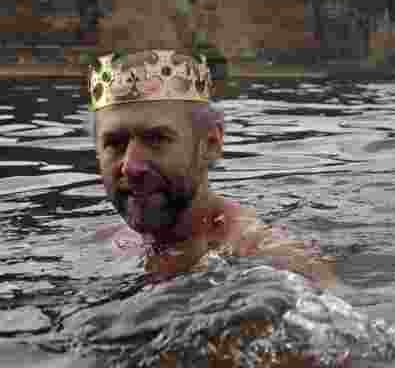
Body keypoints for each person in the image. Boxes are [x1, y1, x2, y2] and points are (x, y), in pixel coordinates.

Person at [87, 49, 335, 287]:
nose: (131, 167)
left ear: (211, 144)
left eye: (156, 139)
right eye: (114, 144)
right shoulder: (108, 242)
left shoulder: (278, 263)